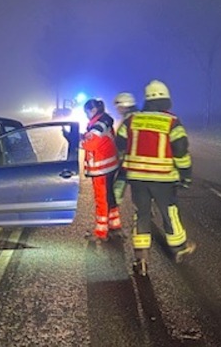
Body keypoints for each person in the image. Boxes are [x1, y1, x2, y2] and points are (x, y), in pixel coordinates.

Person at [116, 80, 195, 276]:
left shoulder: (132, 120)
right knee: (169, 212)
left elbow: (120, 143)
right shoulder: (171, 121)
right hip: (163, 179)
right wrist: (185, 175)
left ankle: (141, 259)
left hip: (137, 179)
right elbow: (181, 151)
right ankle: (179, 248)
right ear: (166, 99)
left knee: (141, 215)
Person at [81, 98, 121, 241]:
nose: (86, 115)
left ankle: (100, 232)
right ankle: (114, 226)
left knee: (101, 199)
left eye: (86, 112)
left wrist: (75, 140)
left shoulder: (98, 125)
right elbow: (92, 137)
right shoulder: (103, 122)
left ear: (93, 110)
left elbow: (89, 144)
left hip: (101, 168)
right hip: (109, 166)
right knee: (109, 197)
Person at [111, 92, 138, 219]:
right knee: (141, 196)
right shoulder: (141, 117)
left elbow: (120, 142)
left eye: (118, 106)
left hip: (128, 163)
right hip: (143, 164)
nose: (117, 110)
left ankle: (111, 222)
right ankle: (144, 218)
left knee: (116, 192)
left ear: (124, 105)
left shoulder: (128, 121)